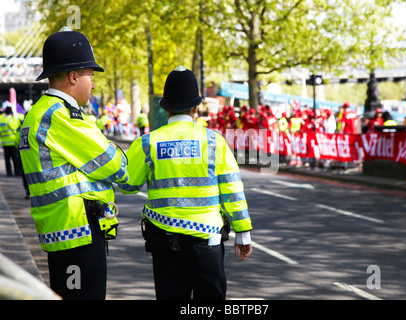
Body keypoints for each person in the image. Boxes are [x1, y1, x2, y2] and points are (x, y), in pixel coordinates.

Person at [118, 66, 252, 300]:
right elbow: (232, 189)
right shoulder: (214, 141)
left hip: (165, 243)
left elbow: (128, 186)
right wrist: (243, 232)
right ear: (195, 106)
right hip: (207, 241)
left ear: (165, 107)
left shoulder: (148, 143)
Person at [19, 28, 129, 300]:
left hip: (67, 231)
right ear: (73, 76)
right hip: (78, 234)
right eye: (90, 75)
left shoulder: (41, 113)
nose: (93, 84)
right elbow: (117, 166)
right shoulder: (60, 116)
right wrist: (108, 143)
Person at [0, 106, 21, 176]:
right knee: (15, 158)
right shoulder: (11, 120)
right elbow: (16, 128)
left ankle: (9, 173)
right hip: (12, 142)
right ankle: (17, 172)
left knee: (7, 159)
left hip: (4, 143)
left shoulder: (2, 120)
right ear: (11, 113)